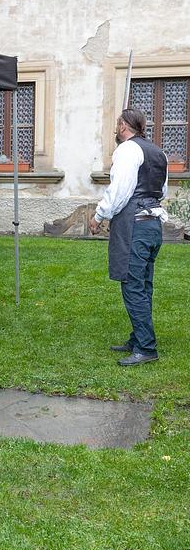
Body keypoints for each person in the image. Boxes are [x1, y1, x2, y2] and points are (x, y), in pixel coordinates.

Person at [90, 108, 168, 366]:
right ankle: (138, 339)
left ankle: (146, 347)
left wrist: (99, 215)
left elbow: (120, 191)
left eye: (117, 124)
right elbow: (162, 191)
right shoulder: (158, 152)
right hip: (153, 225)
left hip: (135, 226)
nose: (116, 128)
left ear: (124, 126)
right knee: (143, 284)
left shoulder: (126, 150)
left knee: (133, 285)